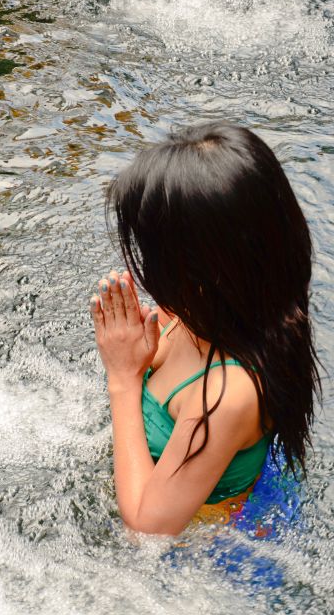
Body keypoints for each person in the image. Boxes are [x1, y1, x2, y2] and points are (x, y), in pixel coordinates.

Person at [89, 122, 319, 535]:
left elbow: (149, 527)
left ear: (200, 270)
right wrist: (135, 351)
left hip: (206, 557)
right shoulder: (206, 317)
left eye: (154, 252)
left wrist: (122, 378)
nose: (146, 266)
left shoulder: (228, 395)